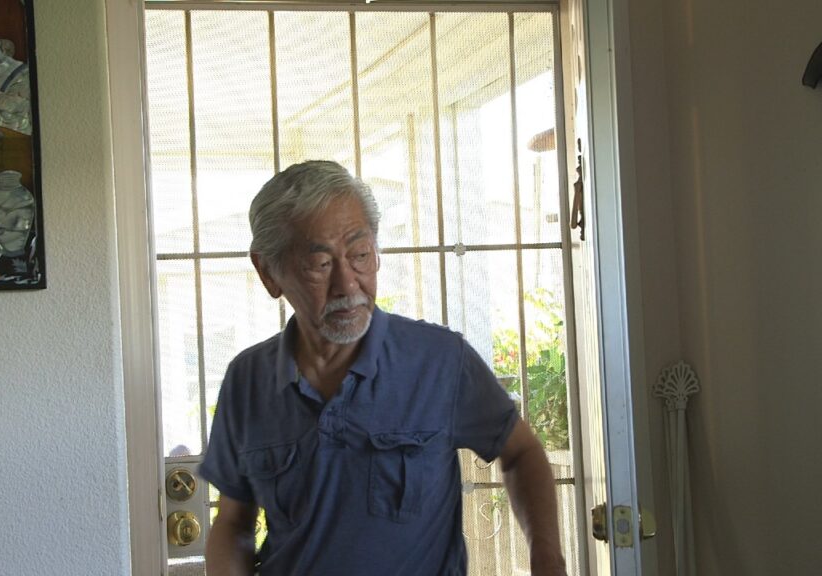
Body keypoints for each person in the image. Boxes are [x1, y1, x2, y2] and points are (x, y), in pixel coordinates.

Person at [200, 160, 568, 575]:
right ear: (268, 273)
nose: (348, 284)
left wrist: (547, 557)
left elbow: (520, 452)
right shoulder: (247, 380)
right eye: (320, 265)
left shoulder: (439, 360)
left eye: (360, 255)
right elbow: (233, 522)